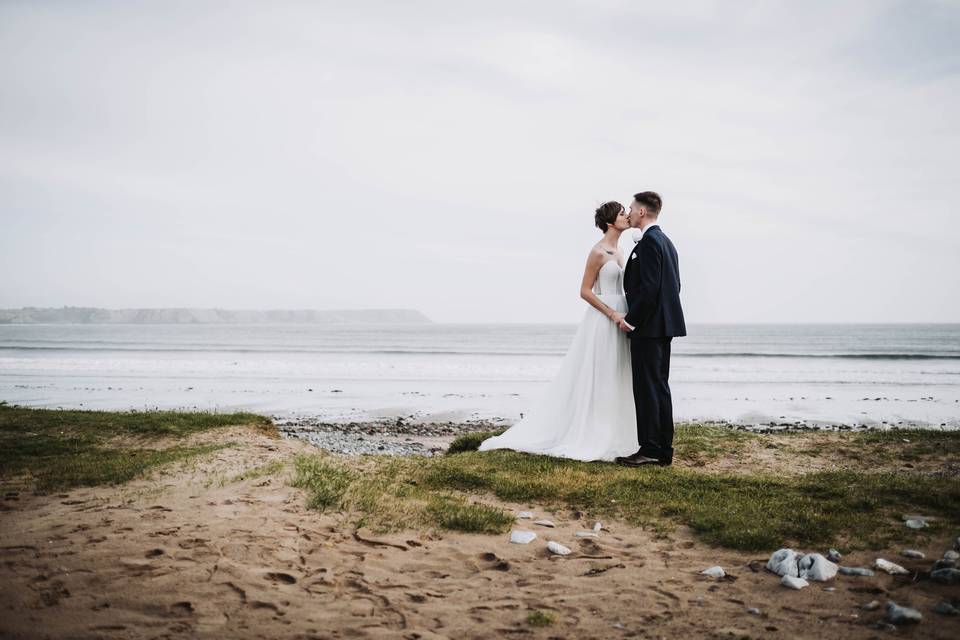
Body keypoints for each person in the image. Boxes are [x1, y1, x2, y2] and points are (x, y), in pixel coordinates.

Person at [478, 201, 639, 461]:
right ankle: (592, 432)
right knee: (601, 373)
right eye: (622, 213)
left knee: (618, 373)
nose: (627, 216)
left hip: (623, 315)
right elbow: (585, 291)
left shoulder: (621, 251)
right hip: (604, 318)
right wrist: (611, 313)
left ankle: (616, 431)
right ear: (611, 221)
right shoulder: (597, 252)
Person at [613, 191, 686, 467]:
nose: (629, 212)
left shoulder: (651, 242)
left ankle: (651, 449)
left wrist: (631, 320)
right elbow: (675, 286)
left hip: (649, 327)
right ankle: (662, 449)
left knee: (647, 388)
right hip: (661, 326)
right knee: (658, 386)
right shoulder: (666, 242)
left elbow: (650, 288)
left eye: (631, 208)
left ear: (642, 212)